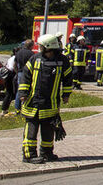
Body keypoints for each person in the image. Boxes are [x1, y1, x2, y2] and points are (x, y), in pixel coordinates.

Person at [18, 33, 72, 164]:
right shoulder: (35, 59)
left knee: (48, 131)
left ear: (49, 47)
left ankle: (47, 153)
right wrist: (23, 93)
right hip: (33, 102)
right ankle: (29, 155)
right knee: (31, 131)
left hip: (51, 103)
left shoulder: (62, 61)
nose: (39, 48)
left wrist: (66, 95)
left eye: (41, 46)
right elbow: (25, 76)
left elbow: (68, 78)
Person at [12, 39, 35, 114]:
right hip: (28, 73)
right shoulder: (31, 54)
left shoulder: (18, 53)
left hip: (20, 73)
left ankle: (17, 108)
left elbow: (14, 64)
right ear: (31, 46)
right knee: (29, 90)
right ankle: (27, 106)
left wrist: (17, 72)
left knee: (20, 91)